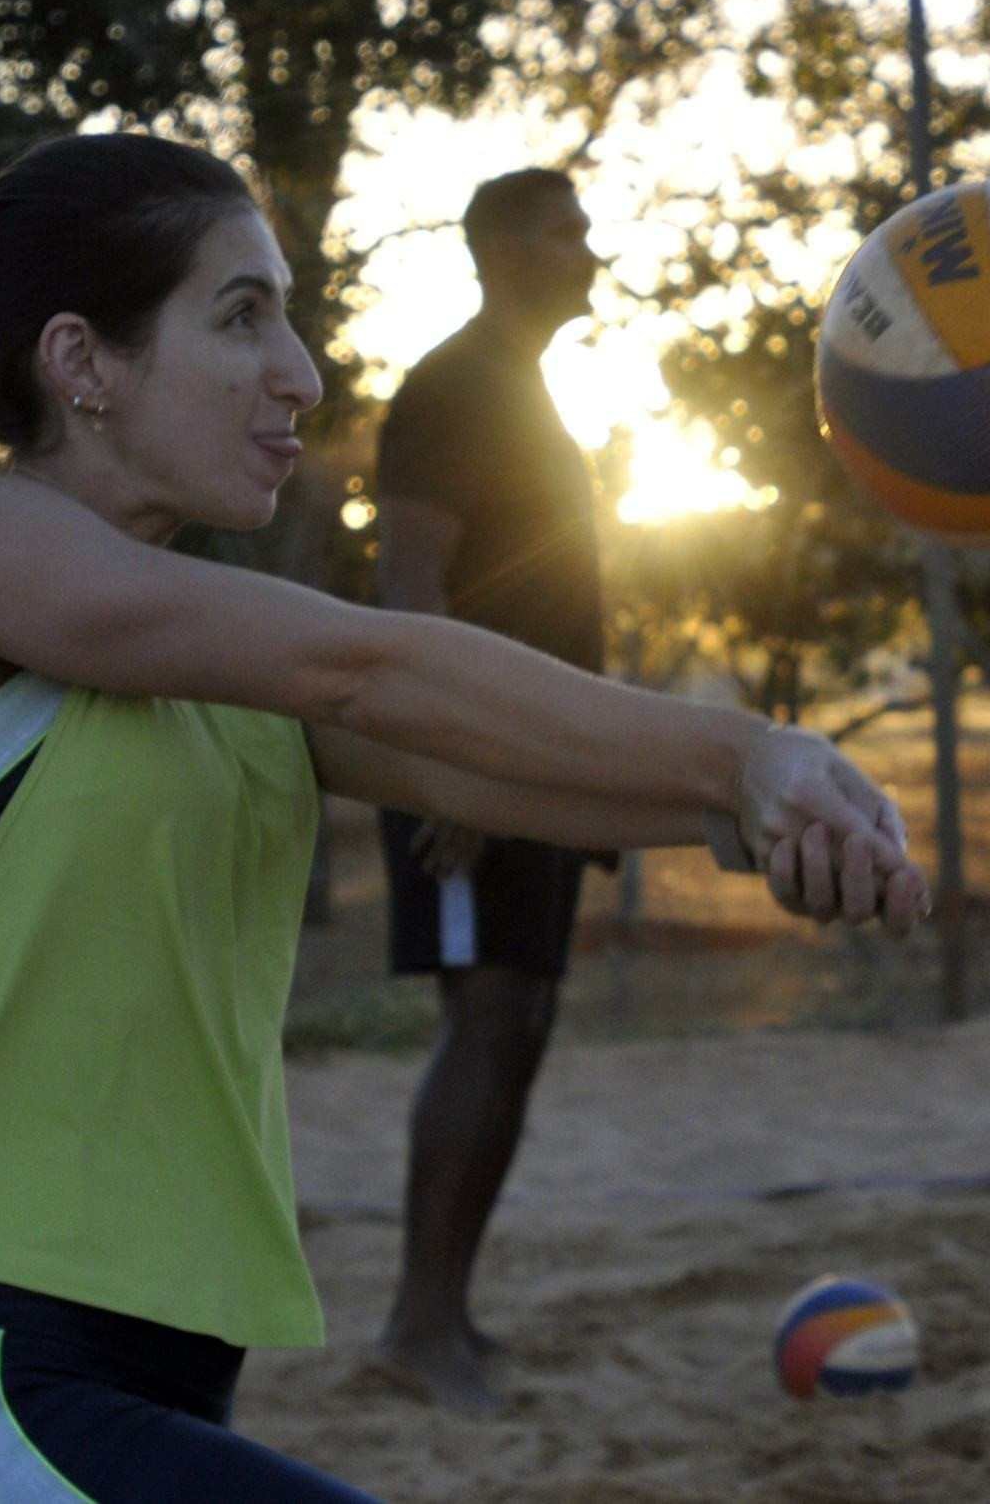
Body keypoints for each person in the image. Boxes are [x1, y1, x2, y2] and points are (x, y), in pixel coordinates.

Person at [0, 133, 923, 1502]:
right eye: (241, 317)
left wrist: (760, 813)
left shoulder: (220, 684)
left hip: (159, 1396)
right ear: (80, 362)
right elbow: (371, 661)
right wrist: (740, 751)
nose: (302, 372)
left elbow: (505, 767)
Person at [368, 167, 616, 1410]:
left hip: (533, 771)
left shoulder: (521, 391)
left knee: (520, 1022)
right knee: (485, 1019)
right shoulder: (450, 389)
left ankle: (447, 1312)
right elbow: (407, 582)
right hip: (469, 771)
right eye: (565, 230)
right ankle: (416, 1327)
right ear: (502, 249)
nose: (589, 248)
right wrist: (449, 762)